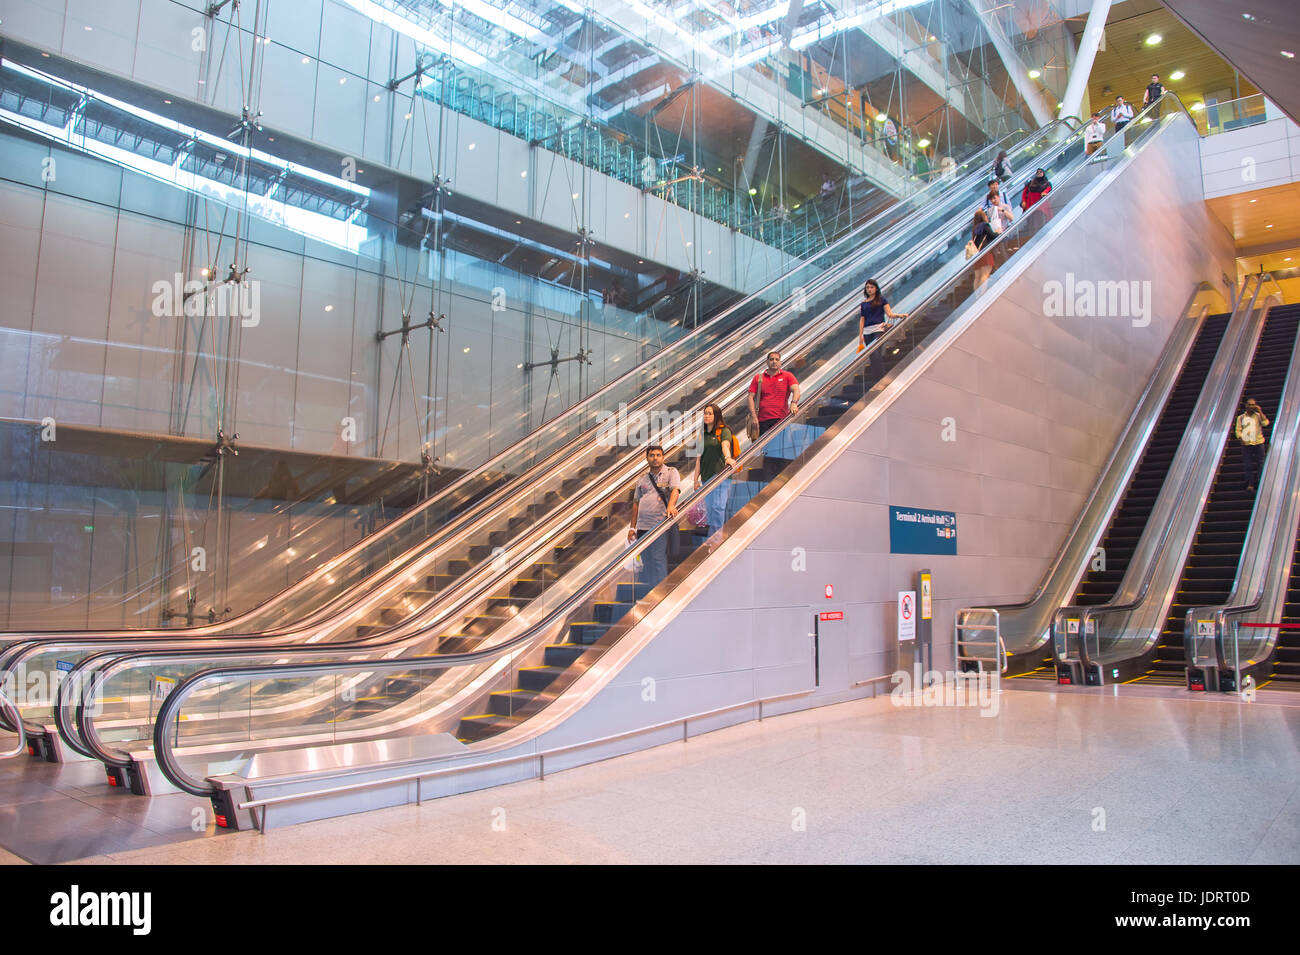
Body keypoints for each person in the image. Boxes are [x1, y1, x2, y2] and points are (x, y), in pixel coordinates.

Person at [627, 444, 681, 589]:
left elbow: (675, 490)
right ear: (647, 458)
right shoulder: (642, 479)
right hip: (643, 527)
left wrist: (671, 505)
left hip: (660, 524)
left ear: (663, 457)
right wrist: (632, 527)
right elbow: (636, 503)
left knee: (658, 559)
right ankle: (652, 592)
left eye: (658, 455)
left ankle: (661, 592)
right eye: (652, 455)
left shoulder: (671, 472)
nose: (655, 458)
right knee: (647, 561)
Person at [692, 403, 737, 539]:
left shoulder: (724, 430)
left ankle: (715, 540)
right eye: (705, 413)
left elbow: (725, 445)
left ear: (716, 415)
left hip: (720, 477)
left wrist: (728, 458)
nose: (706, 415)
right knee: (711, 511)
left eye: (710, 413)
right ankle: (713, 539)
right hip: (706, 478)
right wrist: (695, 480)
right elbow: (698, 459)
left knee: (718, 509)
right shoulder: (702, 434)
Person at [857, 278, 909, 379]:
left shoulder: (882, 300)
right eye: (867, 287)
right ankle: (876, 378)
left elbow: (890, 314)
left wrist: (900, 315)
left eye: (872, 287)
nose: (869, 289)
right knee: (872, 356)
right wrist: (860, 336)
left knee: (876, 354)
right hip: (867, 332)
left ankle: (881, 376)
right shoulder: (863, 304)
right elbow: (862, 320)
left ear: (876, 288)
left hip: (878, 329)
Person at [747, 351, 800, 437]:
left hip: (781, 419)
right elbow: (750, 397)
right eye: (771, 359)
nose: (774, 361)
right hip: (761, 421)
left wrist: (794, 403)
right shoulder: (758, 378)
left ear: (780, 362)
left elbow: (796, 389)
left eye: (777, 359)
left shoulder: (787, 376)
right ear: (767, 362)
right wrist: (753, 416)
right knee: (764, 448)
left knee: (779, 447)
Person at [1235, 398, 1270, 493]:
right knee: (1248, 464)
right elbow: (1238, 430)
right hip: (1246, 444)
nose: (1251, 406)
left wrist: (1260, 411)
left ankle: (1259, 482)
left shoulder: (1258, 416)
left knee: (1261, 463)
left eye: (1253, 404)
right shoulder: (1241, 417)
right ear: (1246, 405)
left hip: (1258, 443)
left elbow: (1265, 423)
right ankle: (1250, 483)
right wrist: (1240, 437)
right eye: (1249, 405)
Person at [969, 208, 997, 290]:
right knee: (985, 274)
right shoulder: (985, 225)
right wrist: (998, 232)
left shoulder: (974, 229)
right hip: (985, 253)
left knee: (977, 276)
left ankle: (977, 296)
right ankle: (982, 294)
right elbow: (993, 235)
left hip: (977, 255)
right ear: (983, 217)